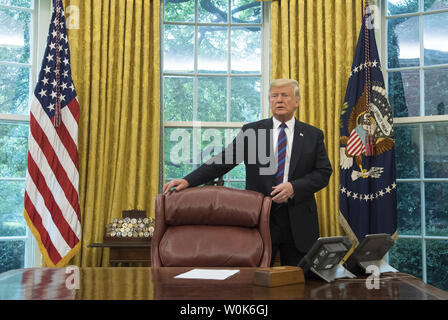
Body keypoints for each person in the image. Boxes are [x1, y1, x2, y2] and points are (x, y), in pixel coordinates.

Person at [163, 79, 333, 266]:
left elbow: (323, 172)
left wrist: (294, 187)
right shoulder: (253, 131)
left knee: (300, 283)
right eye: (274, 96)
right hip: (260, 216)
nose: (279, 100)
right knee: (256, 282)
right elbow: (223, 160)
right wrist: (188, 181)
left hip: (299, 220)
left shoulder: (312, 134)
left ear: (297, 101)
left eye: (285, 95)